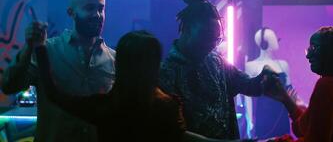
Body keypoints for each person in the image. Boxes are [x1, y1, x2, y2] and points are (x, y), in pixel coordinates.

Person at [37, 30, 254, 142]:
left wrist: (40, 49)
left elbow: (55, 95)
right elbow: (181, 138)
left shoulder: (104, 106)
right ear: (153, 66)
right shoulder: (165, 106)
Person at [159, 0, 278, 140]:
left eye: (217, 39)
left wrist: (263, 80)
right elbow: (173, 133)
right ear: (186, 30)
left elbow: (247, 85)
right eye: (207, 36)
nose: (212, 45)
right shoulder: (167, 71)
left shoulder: (217, 61)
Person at [1, 0, 115, 142]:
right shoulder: (46, 50)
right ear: (71, 12)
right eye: (89, 8)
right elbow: (9, 85)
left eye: (101, 9)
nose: (97, 15)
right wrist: (29, 48)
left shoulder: (114, 59)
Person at [266, 26, 333, 142]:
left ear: (331, 51)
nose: (308, 55)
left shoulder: (327, 86)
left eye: (313, 47)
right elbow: (304, 127)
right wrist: (285, 99)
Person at [245, 28, 299, 139]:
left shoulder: (283, 64)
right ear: (266, 42)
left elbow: (291, 91)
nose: (277, 41)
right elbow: (248, 97)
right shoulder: (251, 66)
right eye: (274, 38)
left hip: (281, 115)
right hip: (263, 115)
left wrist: (299, 109)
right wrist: (249, 120)